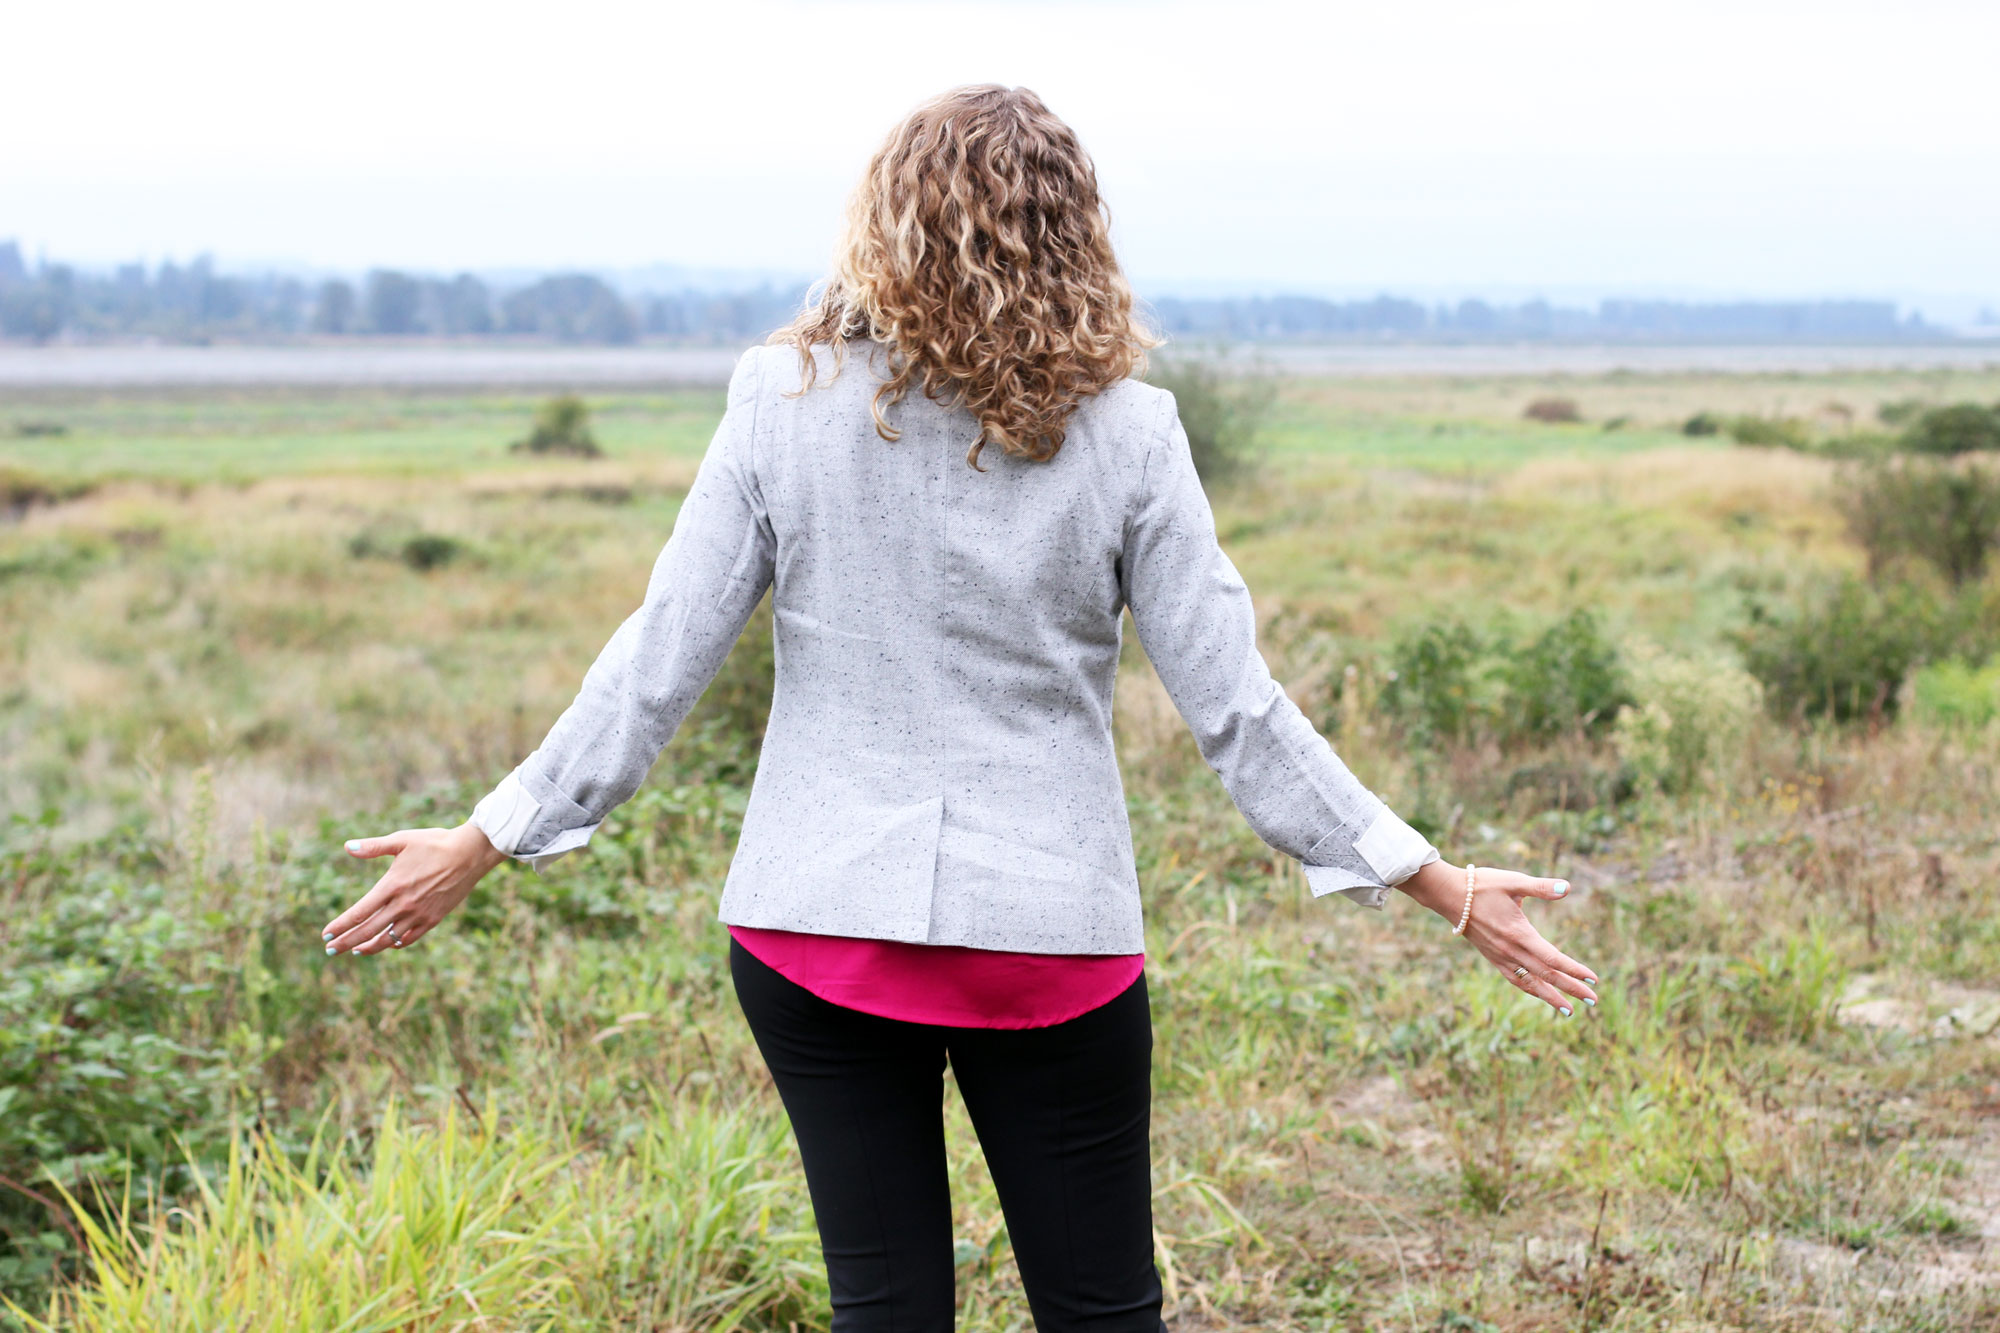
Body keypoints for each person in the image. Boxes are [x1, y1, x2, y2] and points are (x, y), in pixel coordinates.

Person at [322, 84, 1595, 1333]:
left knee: (885, 1313)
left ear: (884, 225)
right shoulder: (1132, 433)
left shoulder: (777, 402)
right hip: (1048, 939)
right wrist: (1436, 881)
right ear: (1073, 236)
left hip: (813, 929)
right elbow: (1238, 713)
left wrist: (481, 838)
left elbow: (657, 660)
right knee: (1100, 1311)